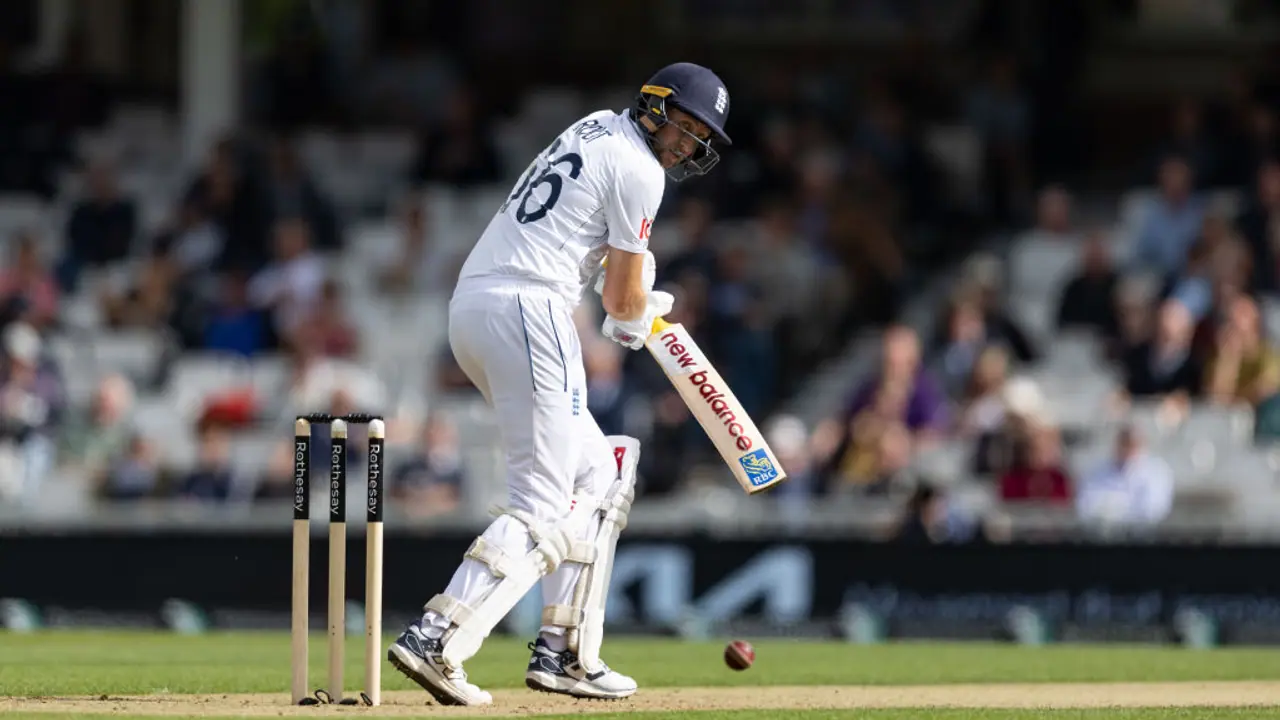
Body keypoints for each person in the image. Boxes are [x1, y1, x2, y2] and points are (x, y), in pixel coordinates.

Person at [386, 63, 733, 706]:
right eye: (682, 126)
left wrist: (627, 302)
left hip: (477, 305)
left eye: (698, 136)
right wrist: (635, 318)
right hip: (530, 310)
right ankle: (437, 636)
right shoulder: (642, 170)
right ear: (653, 106)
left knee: (600, 473)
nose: (685, 144)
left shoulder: (596, 127)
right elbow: (623, 299)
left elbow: (588, 247)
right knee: (543, 500)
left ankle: (567, 651)